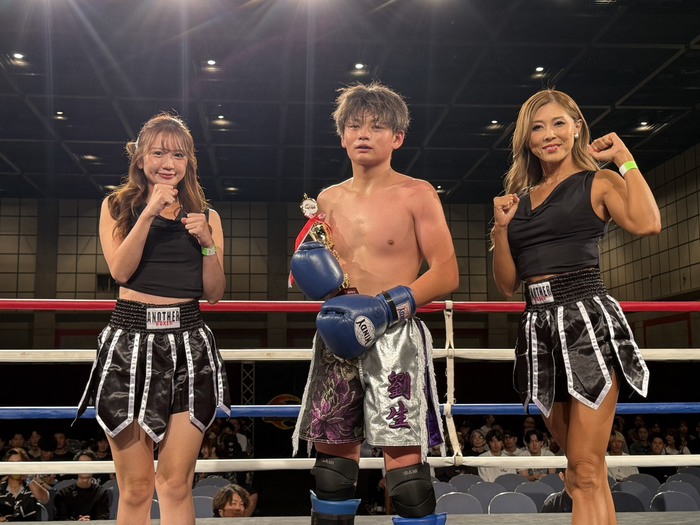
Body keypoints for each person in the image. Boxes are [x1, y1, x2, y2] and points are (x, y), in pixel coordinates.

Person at [291, 82, 459, 525]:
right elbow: (320, 273)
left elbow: (446, 272)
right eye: (354, 125)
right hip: (337, 335)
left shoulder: (417, 193)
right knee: (332, 467)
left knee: (406, 474)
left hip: (396, 336)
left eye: (377, 126)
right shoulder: (327, 199)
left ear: (397, 138)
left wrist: (385, 307)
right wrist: (309, 272)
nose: (364, 133)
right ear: (342, 137)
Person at [491, 89, 661, 525]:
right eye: (538, 127)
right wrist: (500, 229)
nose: (549, 135)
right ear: (527, 140)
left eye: (558, 124)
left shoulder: (598, 182)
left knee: (584, 470)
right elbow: (507, 285)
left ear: (577, 128)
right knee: (585, 472)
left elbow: (648, 223)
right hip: (538, 329)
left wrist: (624, 158)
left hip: (587, 323)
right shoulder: (518, 199)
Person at [74, 112, 231, 525]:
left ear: (188, 162)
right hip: (130, 341)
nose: (168, 162)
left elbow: (215, 294)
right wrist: (147, 213)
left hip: (189, 343)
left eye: (178, 154)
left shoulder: (207, 216)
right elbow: (120, 271)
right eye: (159, 152)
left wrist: (207, 242)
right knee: (137, 487)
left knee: (176, 484)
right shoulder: (116, 206)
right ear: (140, 158)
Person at [53, 450, 110, 521]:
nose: (84, 468)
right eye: (81, 465)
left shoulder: (101, 493)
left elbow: (103, 517)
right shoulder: (63, 494)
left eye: (88, 465)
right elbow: (61, 518)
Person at [0, 448, 50, 522]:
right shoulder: (1, 487)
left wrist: (28, 478)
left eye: (19, 463)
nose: (15, 467)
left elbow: (45, 499)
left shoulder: (32, 484)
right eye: (11, 463)